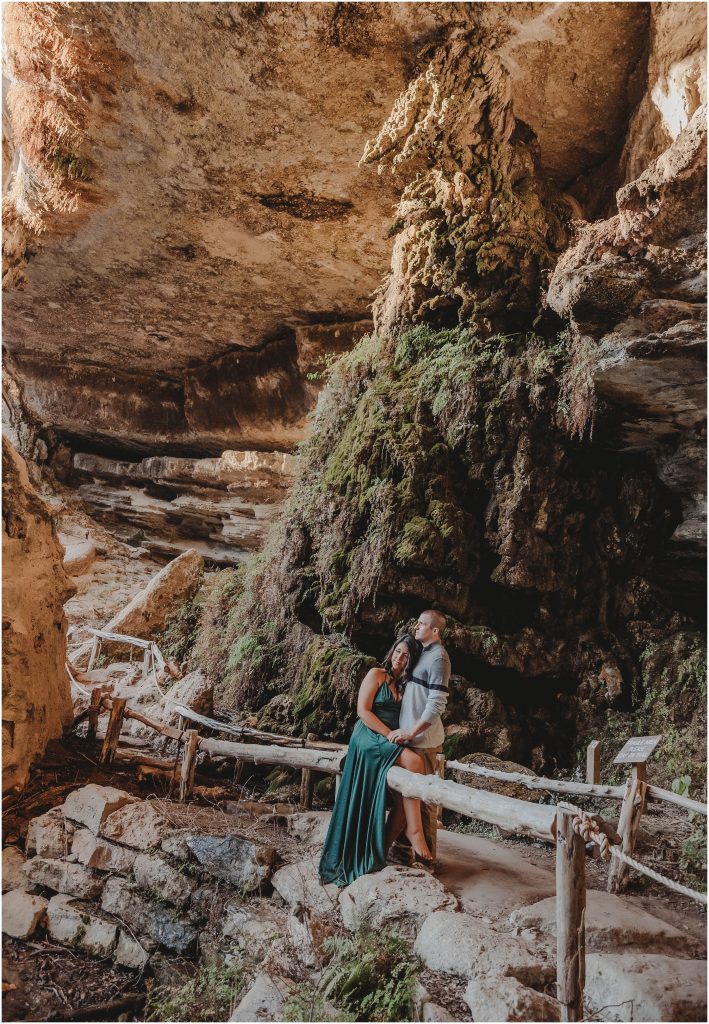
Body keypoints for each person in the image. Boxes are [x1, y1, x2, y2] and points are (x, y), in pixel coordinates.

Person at [319, 634, 433, 887]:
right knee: (415, 764)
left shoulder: (405, 686)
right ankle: (414, 831)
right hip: (368, 736)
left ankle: (380, 847)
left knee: (407, 790)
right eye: (398, 651)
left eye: (406, 656)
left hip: (389, 740)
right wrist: (389, 734)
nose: (399, 658)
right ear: (392, 650)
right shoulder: (376, 675)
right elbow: (363, 711)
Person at [388, 610, 451, 864]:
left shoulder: (439, 658)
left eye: (422, 624)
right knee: (406, 795)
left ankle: (427, 862)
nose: (417, 626)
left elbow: (436, 704)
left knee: (425, 800)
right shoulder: (421, 654)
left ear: (435, 631)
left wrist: (412, 732)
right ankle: (402, 851)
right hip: (408, 741)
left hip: (423, 742)